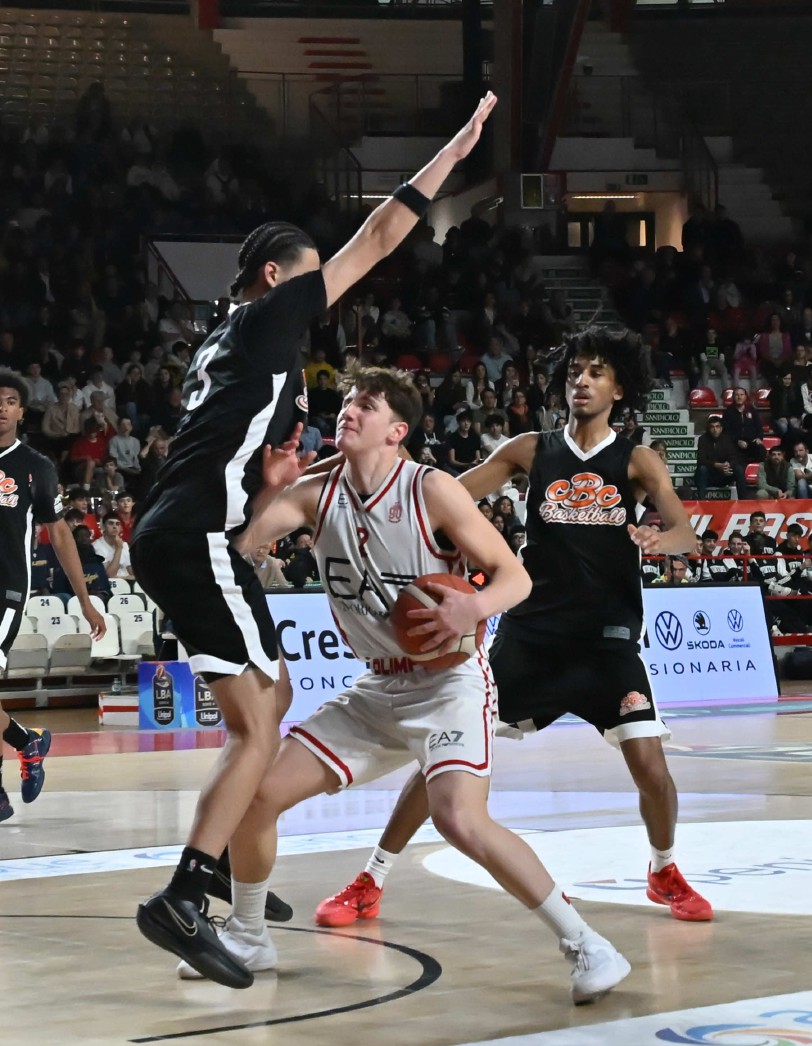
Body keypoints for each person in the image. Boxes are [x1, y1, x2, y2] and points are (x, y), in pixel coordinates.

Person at [131, 91, 501, 988]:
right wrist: (448, 155)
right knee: (259, 725)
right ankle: (187, 892)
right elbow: (376, 238)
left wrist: (267, 469)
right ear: (274, 278)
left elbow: (237, 449)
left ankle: (217, 860)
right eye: (306, 276)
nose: (320, 290)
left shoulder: (228, 343)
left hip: (185, 528)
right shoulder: (268, 317)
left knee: (274, 691)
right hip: (194, 537)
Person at [189, 362, 631, 1004]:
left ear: (396, 430)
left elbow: (515, 577)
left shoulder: (431, 489)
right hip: (376, 690)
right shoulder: (316, 492)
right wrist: (269, 487)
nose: (349, 410)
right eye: (346, 401)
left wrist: (471, 609)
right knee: (256, 797)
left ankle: (588, 944)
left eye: (366, 404)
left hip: (450, 683)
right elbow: (245, 546)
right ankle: (251, 936)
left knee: (458, 817)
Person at [308, 330, 711, 936]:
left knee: (651, 767)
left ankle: (664, 869)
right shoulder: (530, 449)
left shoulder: (637, 460)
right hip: (531, 637)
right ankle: (372, 878)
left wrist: (660, 538)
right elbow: (444, 493)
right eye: (575, 370)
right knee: (446, 758)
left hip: (606, 640)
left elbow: (687, 532)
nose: (582, 380)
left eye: (596, 372)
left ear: (618, 388)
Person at [0, 371, 106, 823]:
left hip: (4, 590)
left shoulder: (35, 467)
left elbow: (59, 534)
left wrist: (83, 599)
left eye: (9, 400)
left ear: (22, 411)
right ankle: (28, 742)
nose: (1, 406)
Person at [694, 414, 747, 499]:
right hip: (708, 476)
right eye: (712, 427)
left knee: (739, 469)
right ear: (708, 428)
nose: (715, 430)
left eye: (717, 427)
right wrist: (717, 465)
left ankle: (743, 501)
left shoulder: (727, 439)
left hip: (724, 475)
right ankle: (701, 501)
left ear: (721, 428)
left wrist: (728, 465)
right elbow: (701, 460)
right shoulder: (703, 439)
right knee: (702, 469)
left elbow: (734, 457)